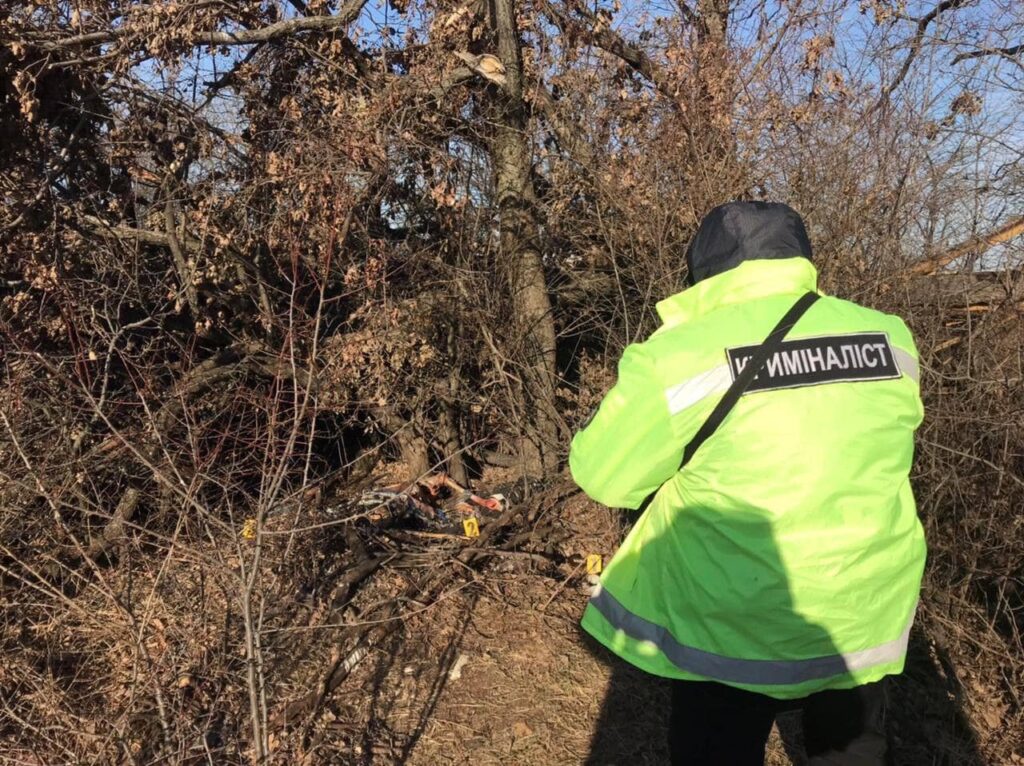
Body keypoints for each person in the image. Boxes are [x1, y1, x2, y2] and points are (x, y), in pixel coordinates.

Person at [570, 201, 926, 765]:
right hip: (862, 615)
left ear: (704, 271)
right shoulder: (890, 337)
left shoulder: (678, 356)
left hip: (733, 629)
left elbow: (603, 478)